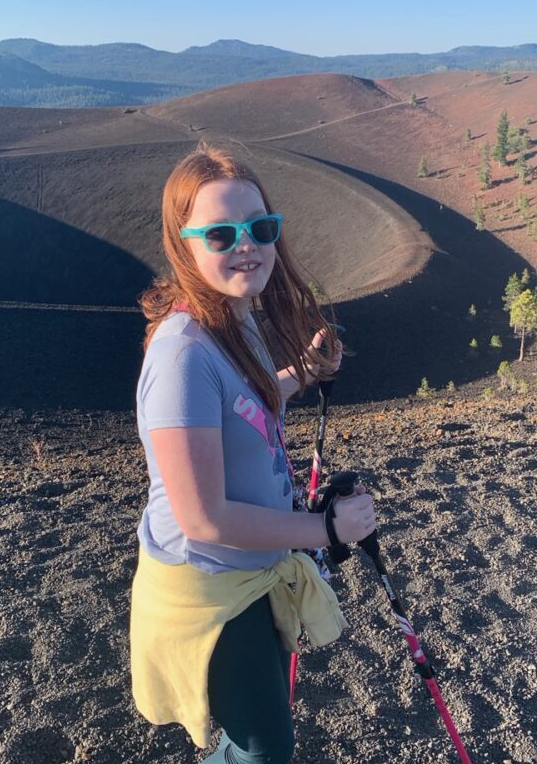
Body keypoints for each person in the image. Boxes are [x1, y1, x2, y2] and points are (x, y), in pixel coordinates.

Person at [129, 142, 377, 764]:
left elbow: (243, 404)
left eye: (260, 228)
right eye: (221, 233)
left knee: (253, 744)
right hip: (210, 592)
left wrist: (301, 373)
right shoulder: (183, 353)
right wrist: (326, 530)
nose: (247, 244)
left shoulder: (231, 320)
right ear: (182, 243)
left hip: (247, 576)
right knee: (263, 749)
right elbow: (204, 519)